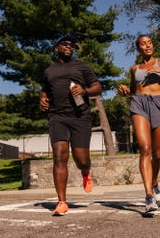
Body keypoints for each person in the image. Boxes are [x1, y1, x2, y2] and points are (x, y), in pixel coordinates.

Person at [117, 35, 160, 212]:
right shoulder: (134, 68)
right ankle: (149, 196)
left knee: (157, 153)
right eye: (143, 44)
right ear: (138, 48)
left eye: (149, 43)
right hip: (138, 104)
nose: (147, 46)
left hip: (158, 103)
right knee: (145, 148)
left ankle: (154, 182)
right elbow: (134, 90)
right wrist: (125, 90)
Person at [40, 34, 102, 216]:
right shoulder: (48, 71)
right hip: (57, 116)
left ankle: (86, 171)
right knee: (59, 156)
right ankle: (61, 202)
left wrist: (85, 90)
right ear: (56, 48)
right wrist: (43, 99)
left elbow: (98, 86)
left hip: (80, 116)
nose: (69, 46)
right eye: (65, 44)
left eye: (72, 45)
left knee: (81, 159)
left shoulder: (81, 66)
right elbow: (44, 91)